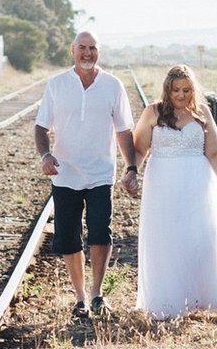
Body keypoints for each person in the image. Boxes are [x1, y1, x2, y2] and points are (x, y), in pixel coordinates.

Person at [127, 63, 217, 320]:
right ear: (167, 89)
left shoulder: (203, 113)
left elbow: (214, 153)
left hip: (199, 182)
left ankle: (206, 297)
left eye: (186, 89)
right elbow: (140, 149)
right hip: (163, 184)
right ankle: (170, 301)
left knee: (201, 237)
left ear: (193, 89)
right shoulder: (153, 112)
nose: (181, 95)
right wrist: (131, 172)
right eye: (176, 90)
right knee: (168, 239)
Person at [32, 30, 140, 319]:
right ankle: (80, 297)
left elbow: (123, 131)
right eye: (82, 48)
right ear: (73, 50)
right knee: (68, 237)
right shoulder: (56, 85)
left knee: (100, 232)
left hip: (100, 173)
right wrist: (45, 156)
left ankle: (97, 294)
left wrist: (131, 167)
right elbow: (41, 127)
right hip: (65, 173)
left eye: (93, 48)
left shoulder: (113, 86)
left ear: (99, 52)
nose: (88, 53)